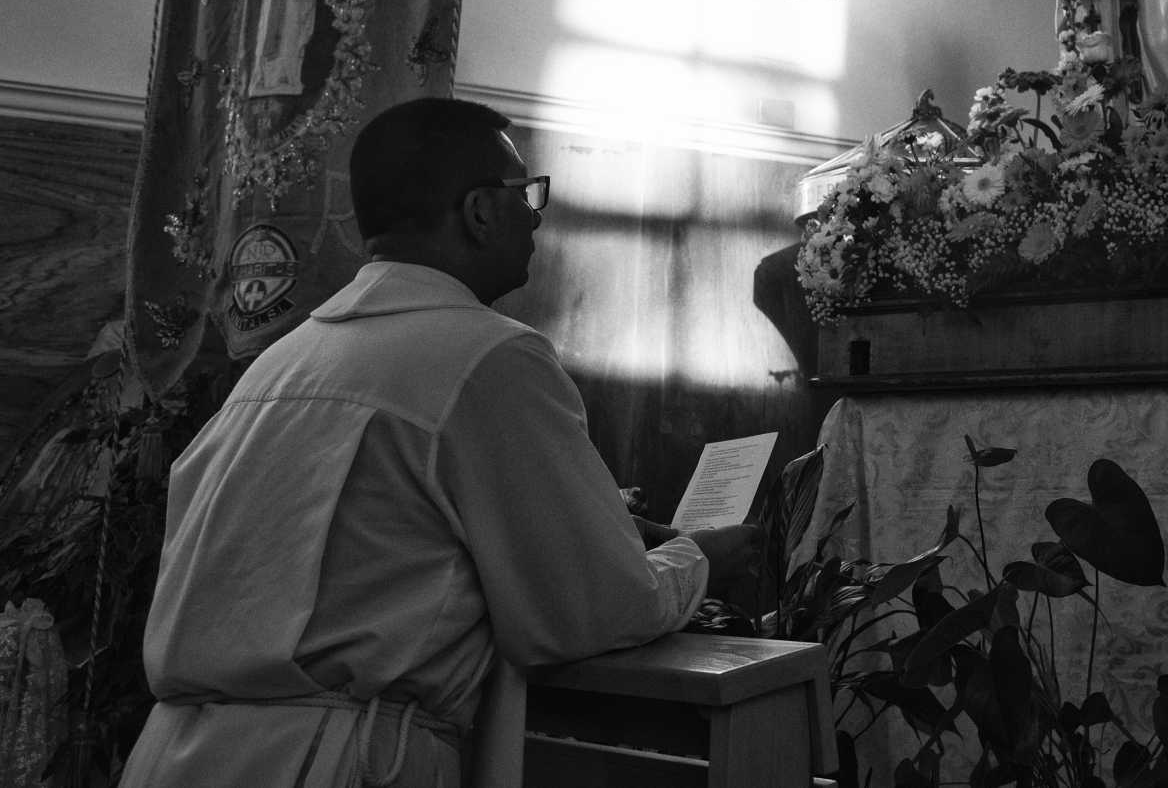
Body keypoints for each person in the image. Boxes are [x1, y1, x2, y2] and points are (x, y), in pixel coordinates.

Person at [120, 97, 759, 788]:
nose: (536, 214)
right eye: (525, 194)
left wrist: (601, 529)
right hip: (327, 759)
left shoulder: (284, 362)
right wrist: (702, 558)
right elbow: (586, 615)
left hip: (176, 755)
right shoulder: (492, 356)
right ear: (481, 211)